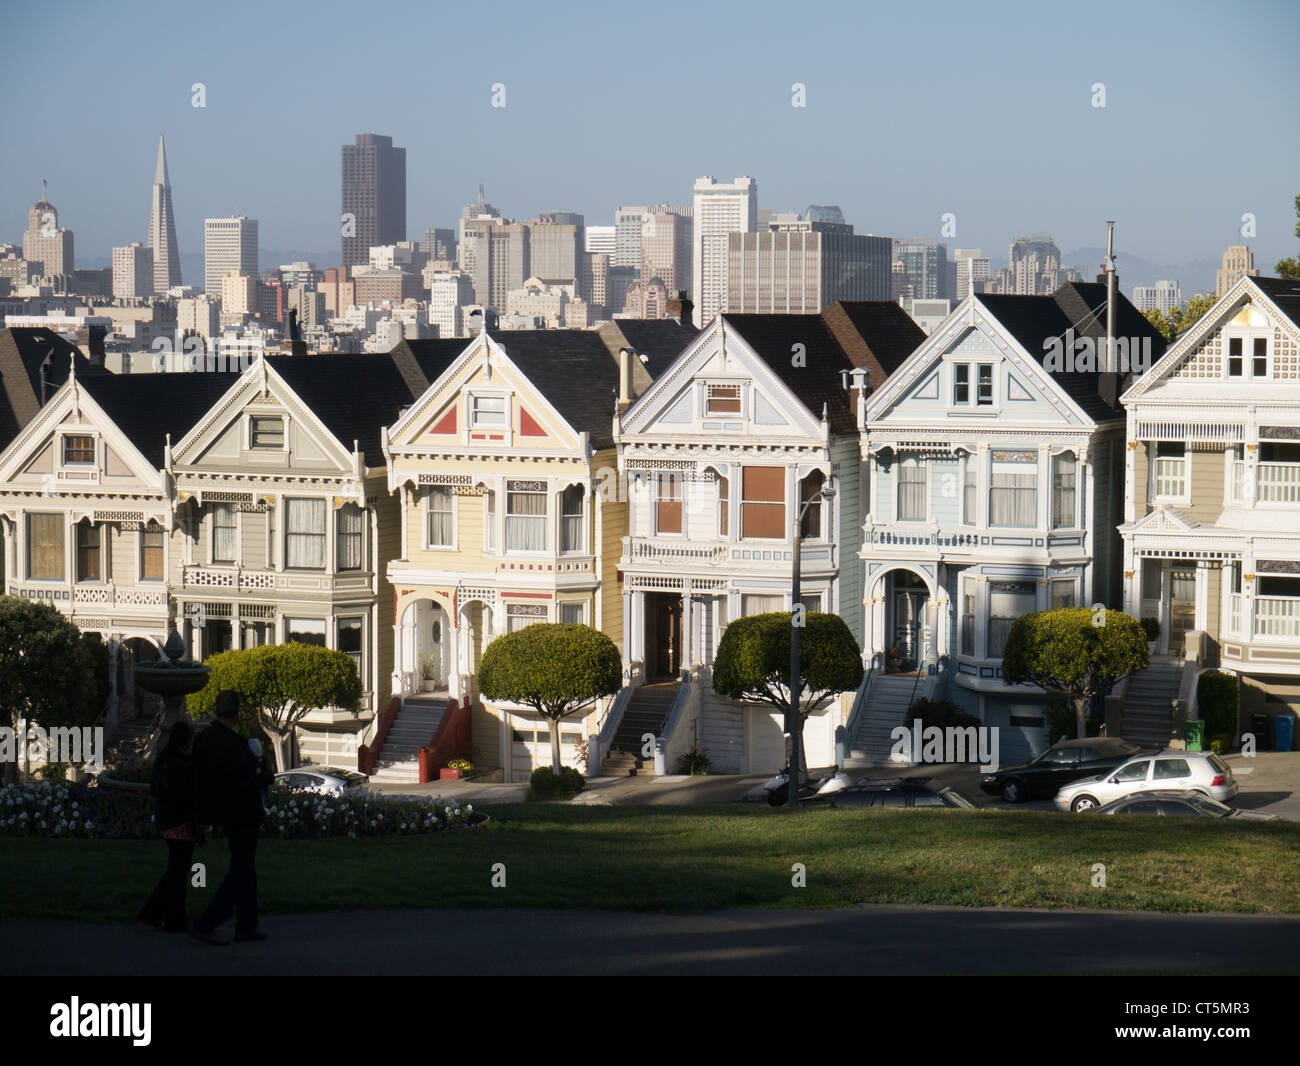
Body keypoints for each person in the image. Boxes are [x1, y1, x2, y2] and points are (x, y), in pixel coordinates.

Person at [190, 689, 266, 946]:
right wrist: (261, 764)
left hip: (220, 811)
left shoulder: (204, 739)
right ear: (236, 712)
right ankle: (207, 921)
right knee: (241, 871)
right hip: (241, 812)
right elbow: (250, 781)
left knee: (247, 868)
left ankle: (247, 925)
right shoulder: (236, 745)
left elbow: (198, 779)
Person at [139, 720, 198, 932]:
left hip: (167, 820)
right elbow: (186, 795)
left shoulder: (164, 760)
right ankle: (172, 917)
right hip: (181, 821)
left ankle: (156, 912)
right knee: (179, 872)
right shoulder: (182, 764)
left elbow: (157, 789)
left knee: (176, 870)